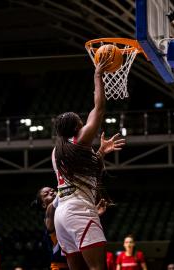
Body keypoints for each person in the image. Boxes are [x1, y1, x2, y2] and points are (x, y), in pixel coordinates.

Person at [52, 56, 126, 270]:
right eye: (80, 121)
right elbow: (99, 108)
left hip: (63, 215)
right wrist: (97, 75)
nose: (84, 122)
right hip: (78, 211)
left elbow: (86, 173)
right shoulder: (80, 141)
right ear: (77, 128)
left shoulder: (58, 151)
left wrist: (101, 152)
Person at [37, 186, 110, 270]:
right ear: (43, 204)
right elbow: (50, 209)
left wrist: (94, 213)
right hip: (61, 266)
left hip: (80, 260)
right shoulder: (48, 217)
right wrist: (64, 189)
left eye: (53, 190)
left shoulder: (69, 211)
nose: (51, 192)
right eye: (46, 194)